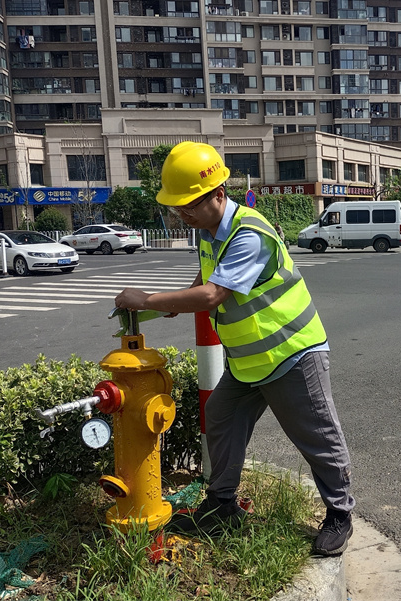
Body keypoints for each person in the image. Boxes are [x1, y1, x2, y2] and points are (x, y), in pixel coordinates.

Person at [114, 141, 355, 556]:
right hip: (248, 362)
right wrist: (177, 303)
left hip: (292, 354)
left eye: (189, 205)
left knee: (316, 436)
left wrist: (148, 300)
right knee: (220, 417)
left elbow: (212, 296)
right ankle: (222, 504)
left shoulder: (250, 233)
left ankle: (340, 513)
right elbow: (205, 276)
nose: (183, 214)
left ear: (219, 194)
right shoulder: (211, 232)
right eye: (178, 208)